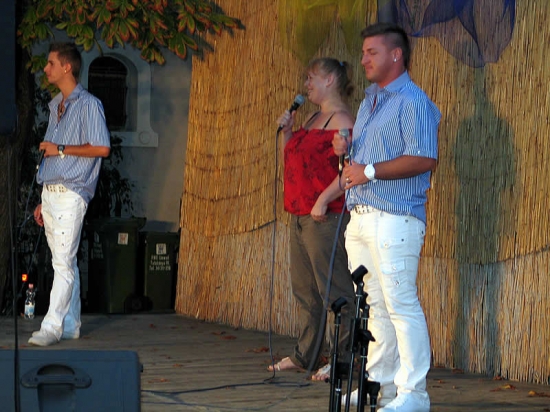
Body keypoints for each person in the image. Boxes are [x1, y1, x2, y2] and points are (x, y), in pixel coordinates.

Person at [333, 23, 440, 411]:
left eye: (372, 52)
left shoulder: (413, 101)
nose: (364, 59)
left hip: (395, 218)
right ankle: (380, 387)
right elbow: (359, 167)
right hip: (362, 216)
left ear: (396, 55)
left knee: (401, 305)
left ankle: (414, 394)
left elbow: (424, 157)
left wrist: (369, 170)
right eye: (363, 53)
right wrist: (345, 151)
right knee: (374, 306)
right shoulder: (369, 102)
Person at [267, 58, 356, 381]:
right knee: (305, 289)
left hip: (326, 216)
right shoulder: (312, 118)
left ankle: (342, 358)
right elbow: (292, 160)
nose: (306, 85)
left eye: (311, 78)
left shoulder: (342, 120)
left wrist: (324, 199)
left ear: (330, 79)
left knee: (334, 289)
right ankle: (306, 353)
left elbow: (350, 169)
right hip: (300, 212)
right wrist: (288, 132)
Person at [29, 42, 111, 347]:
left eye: (51, 63)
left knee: (62, 264)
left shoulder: (89, 104)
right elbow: (51, 154)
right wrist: (43, 198)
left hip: (72, 192)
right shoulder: (55, 106)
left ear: (67, 67)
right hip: (51, 193)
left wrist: (60, 149)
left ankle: (51, 327)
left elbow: (102, 148)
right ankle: (71, 324)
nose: (46, 68)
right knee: (65, 262)